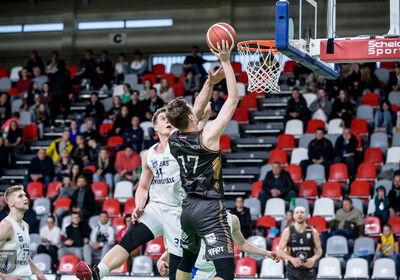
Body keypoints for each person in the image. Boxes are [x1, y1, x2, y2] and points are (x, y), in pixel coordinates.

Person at [75, 61, 220, 280]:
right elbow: (143, 186)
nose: (168, 120)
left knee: (179, 269)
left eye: (170, 118)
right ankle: (98, 272)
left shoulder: (180, 140)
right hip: (156, 209)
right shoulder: (149, 154)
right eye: (163, 118)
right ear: (155, 128)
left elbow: (197, 108)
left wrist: (209, 82)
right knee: (128, 240)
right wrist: (139, 205)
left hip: (179, 212)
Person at [167, 40, 238, 280]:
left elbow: (194, 110)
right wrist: (226, 62)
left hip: (187, 210)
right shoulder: (208, 136)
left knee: (186, 262)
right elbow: (232, 101)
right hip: (209, 209)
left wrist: (209, 81)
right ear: (190, 116)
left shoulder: (174, 138)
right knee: (226, 273)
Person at [157, 213, 280, 279]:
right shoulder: (191, 218)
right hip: (197, 272)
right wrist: (162, 259)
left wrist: (267, 253)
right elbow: (180, 243)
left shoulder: (232, 219)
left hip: (219, 272)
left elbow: (242, 244)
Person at [0, 185, 47, 280]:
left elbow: (23, 254)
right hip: (12, 277)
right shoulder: (6, 225)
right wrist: (5, 276)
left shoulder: (25, 225)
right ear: (11, 203)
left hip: (26, 276)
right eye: (20, 196)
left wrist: (38, 272)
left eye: (25, 195)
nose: (25, 198)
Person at [278, 206, 322, 280]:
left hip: (309, 271)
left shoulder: (312, 231)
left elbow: (319, 250)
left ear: (306, 215)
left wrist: (313, 259)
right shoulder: (287, 231)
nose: (299, 214)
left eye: (302, 212)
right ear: (293, 216)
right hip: (292, 271)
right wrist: (292, 259)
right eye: (297, 212)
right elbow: (280, 251)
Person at [50, 60, 72, 125]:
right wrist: (70, 92)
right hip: (63, 94)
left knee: (55, 108)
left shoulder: (55, 74)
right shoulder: (66, 73)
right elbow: (69, 83)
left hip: (57, 94)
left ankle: (53, 122)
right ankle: (63, 119)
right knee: (65, 107)